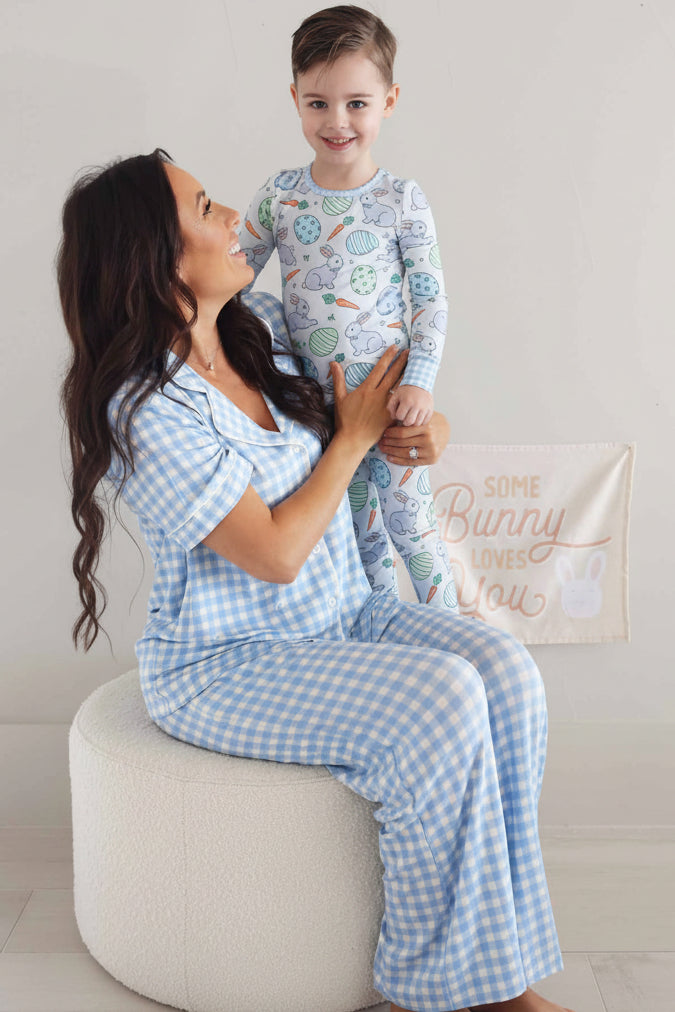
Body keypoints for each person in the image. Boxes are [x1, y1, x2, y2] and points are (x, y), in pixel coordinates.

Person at [58, 149, 572, 1012]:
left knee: (504, 672)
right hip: (227, 663)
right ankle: (436, 993)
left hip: (341, 613)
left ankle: (502, 980)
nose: (235, 219)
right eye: (206, 208)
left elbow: (372, 400)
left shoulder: (260, 328)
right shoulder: (144, 407)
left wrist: (424, 429)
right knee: (441, 697)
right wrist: (352, 440)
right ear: (154, 256)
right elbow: (273, 554)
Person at [240, 5, 459, 612]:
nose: (337, 121)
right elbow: (233, 278)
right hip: (318, 413)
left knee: (414, 533)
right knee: (361, 545)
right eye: (318, 103)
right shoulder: (281, 196)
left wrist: (420, 382)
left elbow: (431, 300)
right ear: (295, 99)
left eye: (356, 103)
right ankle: (380, 646)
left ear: (389, 101)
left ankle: (460, 642)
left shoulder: (402, 200)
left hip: (392, 406)